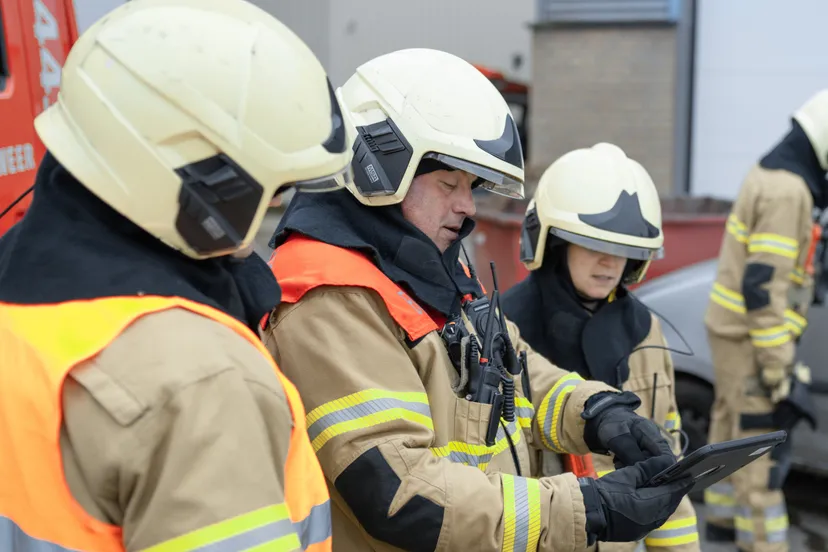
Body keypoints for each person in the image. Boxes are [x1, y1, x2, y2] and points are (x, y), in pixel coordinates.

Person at [261, 48, 692, 552]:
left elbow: (515, 372)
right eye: (449, 184)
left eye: (470, 186)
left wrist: (595, 412)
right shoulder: (328, 298)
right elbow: (403, 492)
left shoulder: (428, 267)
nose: (467, 207)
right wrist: (585, 508)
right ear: (377, 167)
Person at [0, 1, 354, 550]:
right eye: (272, 189)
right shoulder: (201, 382)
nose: (271, 210)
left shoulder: (20, 296)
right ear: (201, 185)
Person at [501, 143, 701, 552]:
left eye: (623, 250)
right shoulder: (502, 329)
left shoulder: (644, 332)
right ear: (555, 242)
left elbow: (668, 470)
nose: (610, 263)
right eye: (595, 246)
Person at [702, 91, 825, 552]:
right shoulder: (787, 192)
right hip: (752, 338)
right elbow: (763, 287)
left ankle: (720, 523)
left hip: (730, 330)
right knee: (758, 447)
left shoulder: (771, 172)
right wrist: (777, 366)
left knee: (727, 424)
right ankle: (763, 544)